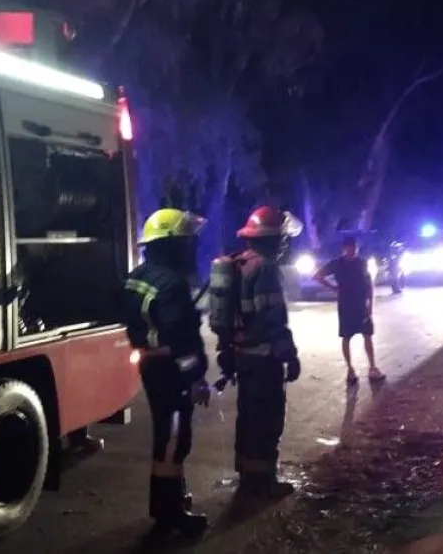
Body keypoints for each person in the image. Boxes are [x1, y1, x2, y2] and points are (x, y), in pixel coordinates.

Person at [120, 208, 212, 535]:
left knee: (167, 434)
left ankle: (170, 503)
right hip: (171, 371)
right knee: (174, 439)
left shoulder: (138, 275)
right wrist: (196, 378)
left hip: (150, 365)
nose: (192, 247)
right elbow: (181, 341)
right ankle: (169, 516)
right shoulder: (172, 283)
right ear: (173, 245)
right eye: (187, 242)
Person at [207, 206, 303, 498]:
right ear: (274, 239)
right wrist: (290, 356)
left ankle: (248, 474)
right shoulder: (265, 269)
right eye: (283, 239)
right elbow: (273, 318)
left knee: (247, 416)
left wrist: (226, 350)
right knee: (267, 418)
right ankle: (263, 484)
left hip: (241, 356)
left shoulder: (238, 264)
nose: (285, 244)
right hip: (264, 359)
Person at [314, 236, 386, 385]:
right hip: (346, 305)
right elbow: (318, 276)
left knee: (367, 335)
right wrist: (333, 288)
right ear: (344, 248)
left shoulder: (362, 263)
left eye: (354, 247)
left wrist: (371, 303)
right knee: (346, 337)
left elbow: (369, 284)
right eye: (349, 247)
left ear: (356, 247)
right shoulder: (337, 263)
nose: (352, 250)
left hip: (361, 304)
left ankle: (372, 367)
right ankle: (350, 369)